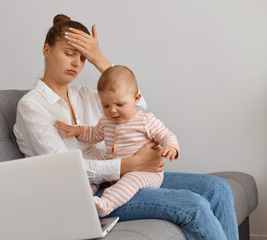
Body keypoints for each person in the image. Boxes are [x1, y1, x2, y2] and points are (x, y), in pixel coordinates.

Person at [13, 14, 239, 239]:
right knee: (193, 206)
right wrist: (132, 163)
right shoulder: (32, 106)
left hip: (124, 177)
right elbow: (66, 171)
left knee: (218, 189)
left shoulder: (85, 95)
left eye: (83, 58)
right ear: (46, 50)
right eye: (69, 54)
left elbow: (137, 104)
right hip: (87, 194)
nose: (76, 63)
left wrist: (99, 59)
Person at [55, 65, 179, 217]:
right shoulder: (106, 121)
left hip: (145, 172)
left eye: (119, 104)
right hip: (116, 169)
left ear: (136, 98)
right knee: (95, 168)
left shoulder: (145, 121)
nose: (112, 110)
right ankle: (84, 199)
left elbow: (167, 135)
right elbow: (94, 134)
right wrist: (77, 130)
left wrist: (171, 147)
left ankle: (106, 204)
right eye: (106, 105)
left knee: (131, 179)